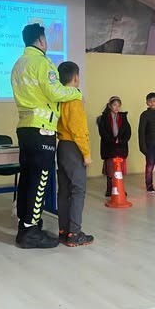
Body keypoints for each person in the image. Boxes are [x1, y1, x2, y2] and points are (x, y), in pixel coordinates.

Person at [11, 23, 82, 249]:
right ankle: (31, 232)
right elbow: (55, 91)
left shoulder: (18, 64)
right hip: (42, 129)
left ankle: (25, 226)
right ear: (41, 40)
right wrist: (76, 92)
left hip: (25, 128)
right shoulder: (42, 63)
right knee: (40, 179)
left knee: (27, 178)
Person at [56, 61, 94, 247]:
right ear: (76, 77)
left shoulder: (59, 97)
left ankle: (64, 230)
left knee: (63, 191)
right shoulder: (75, 98)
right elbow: (78, 129)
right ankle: (75, 233)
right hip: (73, 147)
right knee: (78, 190)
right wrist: (86, 154)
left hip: (62, 145)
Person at [97, 96, 131, 197]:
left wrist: (120, 140)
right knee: (110, 170)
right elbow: (102, 132)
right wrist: (112, 140)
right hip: (109, 147)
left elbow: (128, 131)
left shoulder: (123, 117)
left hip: (121, 147)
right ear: (109, 106)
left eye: (119, 106)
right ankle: (109, 189)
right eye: (115, 105)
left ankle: (120, 188)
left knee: (119, 170)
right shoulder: (104, 118)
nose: (117, 107)